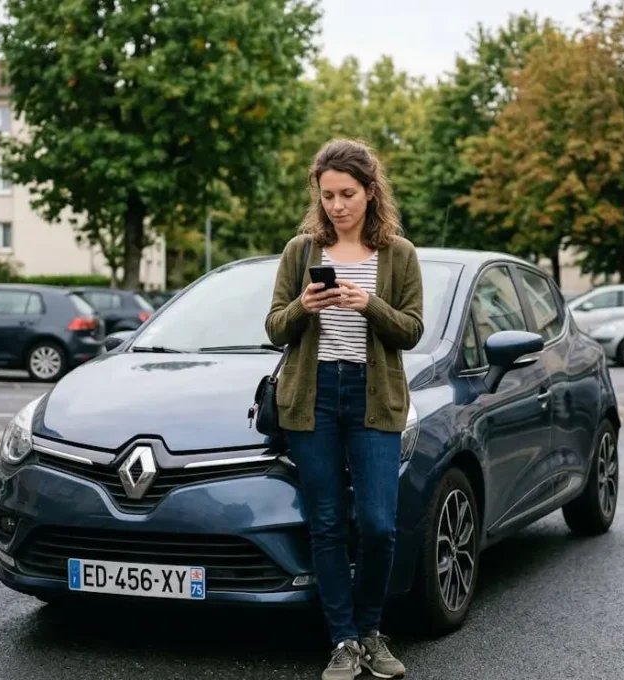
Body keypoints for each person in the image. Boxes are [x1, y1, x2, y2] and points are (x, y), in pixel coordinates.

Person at [264, 139, 424, 680]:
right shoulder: (300, 251)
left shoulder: (398, 253)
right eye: (328, 195)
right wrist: (301, 308)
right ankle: (343, 641)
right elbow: (273, 328)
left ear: (371, 191)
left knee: (378, 525)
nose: (337, 205)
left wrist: (369, 304)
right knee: (327, 524)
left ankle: (372, 629)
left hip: (373, 397)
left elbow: (412, 330)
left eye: (347, 194)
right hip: (312, 398)